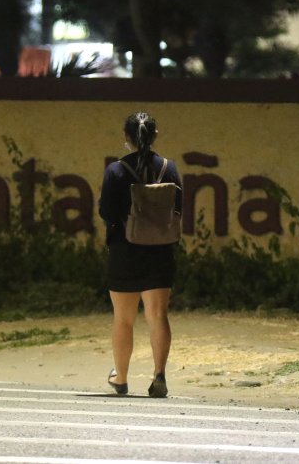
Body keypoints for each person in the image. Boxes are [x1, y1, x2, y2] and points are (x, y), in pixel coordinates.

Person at [97, 111, 182, 398]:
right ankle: (159, 374)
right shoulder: (169, 169)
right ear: (155, 135)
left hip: (124, 250)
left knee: (123, 318)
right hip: (160, 250)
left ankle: (120, 378)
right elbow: (179, 208)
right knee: (158, 315)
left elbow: (106, 212)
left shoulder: (116, 171)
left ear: (126, 137)